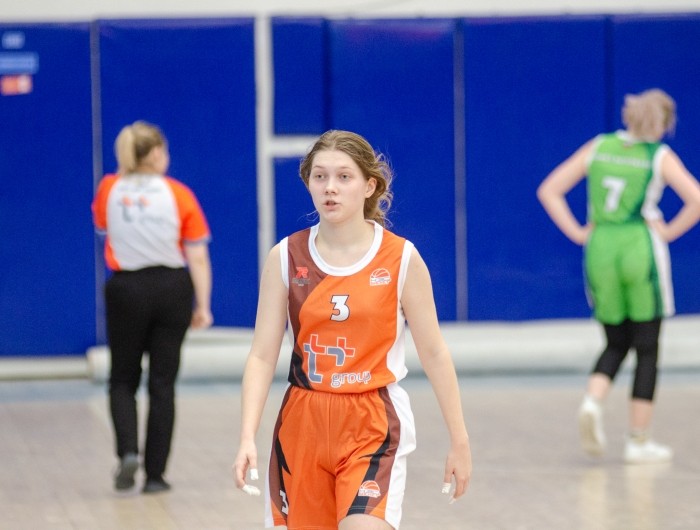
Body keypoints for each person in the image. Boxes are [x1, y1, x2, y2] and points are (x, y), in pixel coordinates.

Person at [233, 130, 472, 529]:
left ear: (369, 186)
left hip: (372, 420)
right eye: (320, 176)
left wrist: (459, 439)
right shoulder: (285, 257)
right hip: (302, 422)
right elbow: (261, 356)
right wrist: (246, 437)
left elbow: (434, 353)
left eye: (344, 177)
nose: (330, 188)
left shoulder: (401, 258)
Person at [537, 89, 700, 464]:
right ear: (663, 123)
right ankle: (638, 440)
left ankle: (592, 402)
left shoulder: (599, 146)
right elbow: (696, 199)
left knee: (615, 341)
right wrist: (669, 231)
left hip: (600, 249)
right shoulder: (658, 155)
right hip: (638, 248)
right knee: (647, 347)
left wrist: (578, 232)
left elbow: (549, 190)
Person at [92, 121, 213, 493]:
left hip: (126, 288)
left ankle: (128, 451)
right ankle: (156, 476)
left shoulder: (109, 189)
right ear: (157, 153)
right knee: (162, 383)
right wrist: (202, 305)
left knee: (122, 378)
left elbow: (102, 225)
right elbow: (197, 256)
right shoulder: (178, 193)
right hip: (171, 289)